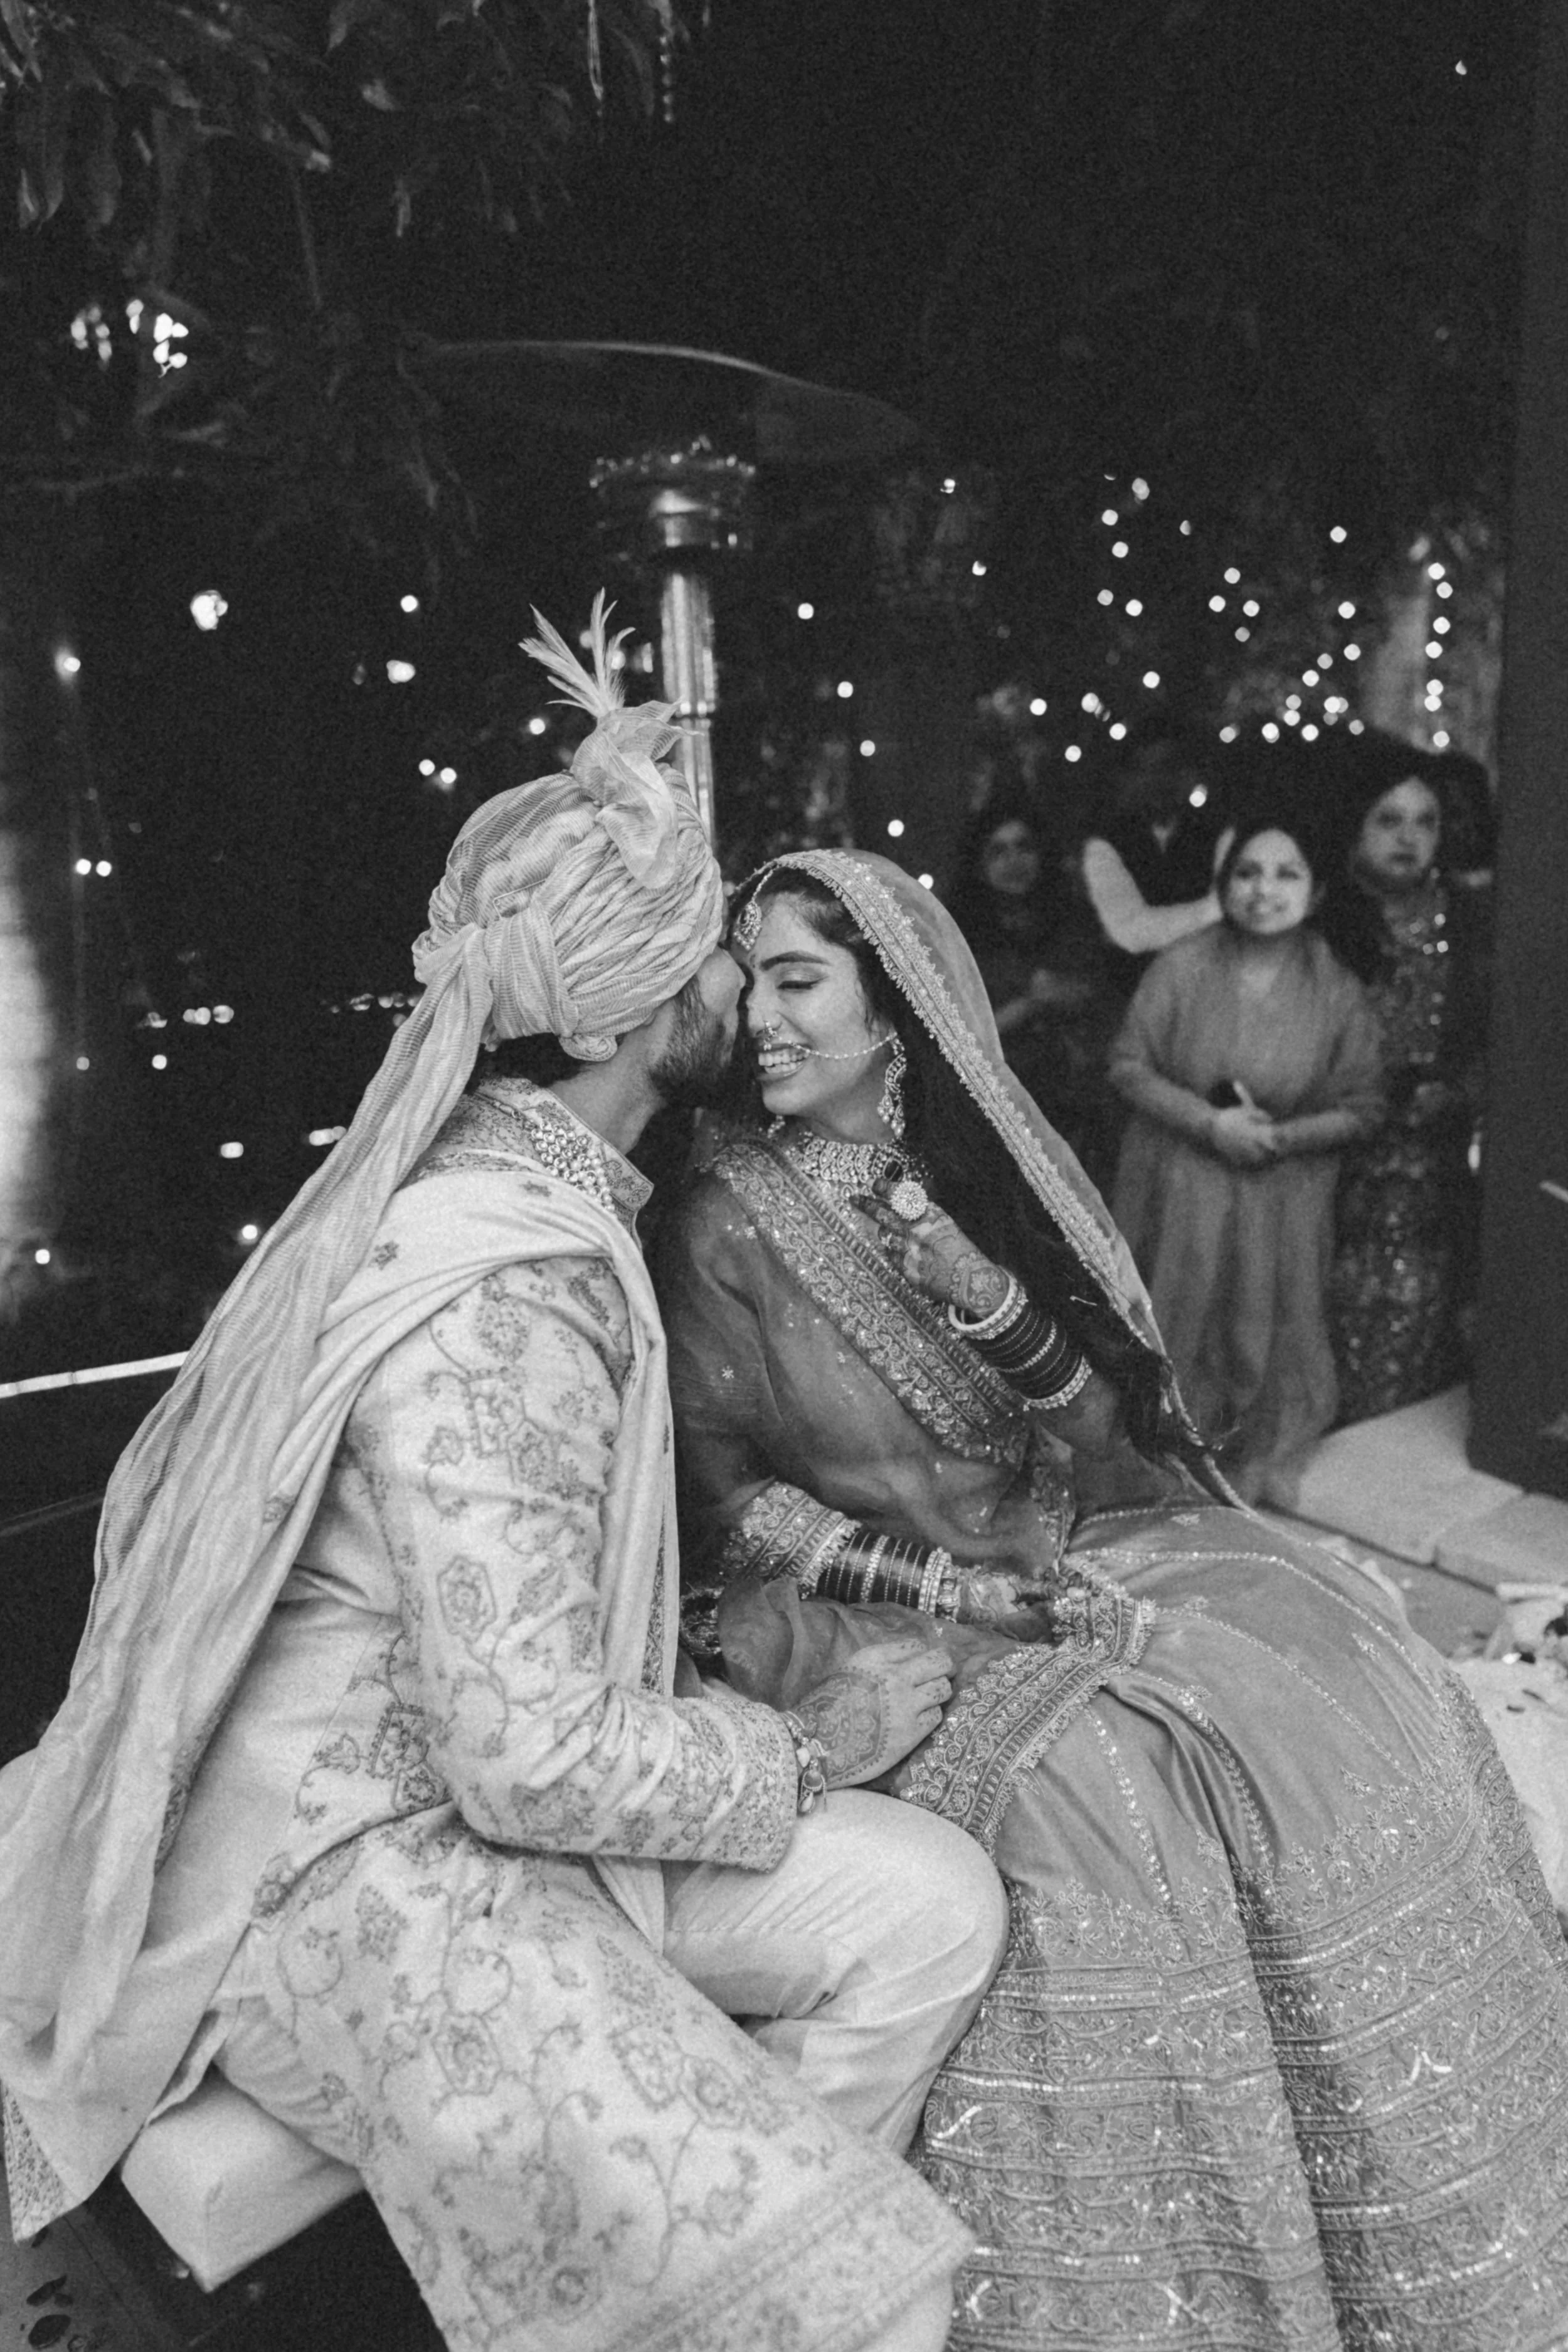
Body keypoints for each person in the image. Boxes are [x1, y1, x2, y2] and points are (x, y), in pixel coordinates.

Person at [0, 608, 1009, 2352]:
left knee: (933, 1905)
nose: (734, 997)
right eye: (714, 960)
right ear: (627, 1009)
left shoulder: (567, 1202)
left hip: (490, 1805)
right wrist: (801, 1745)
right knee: (832, 2295)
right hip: (348, 1868)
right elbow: (521, 1749)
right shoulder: (507, 1287)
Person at [656, 845, 1568, 2352]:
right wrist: (944, 1583)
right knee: (1125, 1800)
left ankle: (1409, 2207)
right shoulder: (718, 1221)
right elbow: (729, 1498)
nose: (757, 1012)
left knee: (1335, 1670)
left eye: (797, 976)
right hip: (873, 1609)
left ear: (896, 1012)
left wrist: (971, 1278)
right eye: (747, 976)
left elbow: (1097, 1439)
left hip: (1068, 1541)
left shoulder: (969, 1179)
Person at [1107, 810, 1383, 1498]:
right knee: (1172, 1332)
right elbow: (1127, 1065)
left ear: (1316, 892)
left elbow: (1365, 1107)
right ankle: (1163, 1470)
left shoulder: (1337, 989)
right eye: (1247, 873)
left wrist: (1279, 1139)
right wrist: (1209, 1126)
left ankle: (1243, 1475)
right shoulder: (1182, 965)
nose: (1264, 890)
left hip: (1281, 1196)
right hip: (1184, 1190)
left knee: (1260, 1340)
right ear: (1223, 886)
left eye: (1286, 873)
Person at [1320, 746, 1492, 1421]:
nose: (1408, 837)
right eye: (1388, 820)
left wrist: (1457, 1092)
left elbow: (1505, 1042)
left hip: (1437, 1165)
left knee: (1426, 1316)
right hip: (1333, 1163)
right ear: (1356, 828)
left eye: (1424, 822)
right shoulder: (1323, 921)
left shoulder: (1475, 921)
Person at [943, 804, 1115, 1180]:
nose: (1014, 861)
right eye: (998, 851)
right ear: (979, 863)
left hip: (1071, 1111)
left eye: (1024, 847)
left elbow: (1100, 1004)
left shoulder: (1071, 919)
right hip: (992, 1110)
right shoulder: (959, 935)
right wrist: (1031, 1004)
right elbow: (955, 1036)